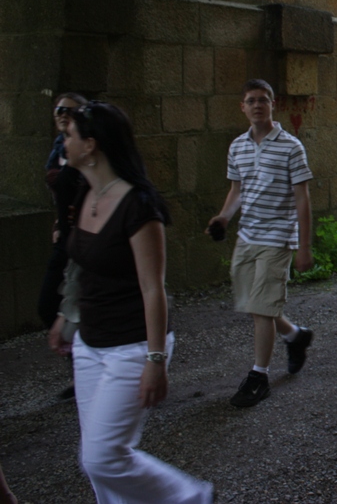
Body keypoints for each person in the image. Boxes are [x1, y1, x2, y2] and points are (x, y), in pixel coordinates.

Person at [46, 101, 213, 503]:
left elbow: (153, 288)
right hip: (90, 343)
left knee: (103, 458)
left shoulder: (139, 205)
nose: (63, 142)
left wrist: (156, 360)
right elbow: (81, 267)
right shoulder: (85, 192)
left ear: (91, 145)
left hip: (132, 345)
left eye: (69, 135)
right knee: (97, 459)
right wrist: (65, 317)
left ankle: (191, 497)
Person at [208, 79, 314, 408]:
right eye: (251, 100)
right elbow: (237, 191)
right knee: (253, 304)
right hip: (247, 236)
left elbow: (303, 199)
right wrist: (224, 217)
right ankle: (295, 336)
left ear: (272, 105)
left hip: (277, 237)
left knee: (262, 308)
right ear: (243, 107)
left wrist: (304, 247)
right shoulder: (237, 146)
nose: (257, 105)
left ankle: (259, 377)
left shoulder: (291, 147)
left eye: (263, 100)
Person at [39, 92, 88, 398]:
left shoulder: (88, 148)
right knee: (49, 304)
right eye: (58, 109)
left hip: (86, 237)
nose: (61, 113)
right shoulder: (60, 147)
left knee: (89, 304)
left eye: (69, 110)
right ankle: (82, 369)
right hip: (66, 237)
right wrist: (59, 222)